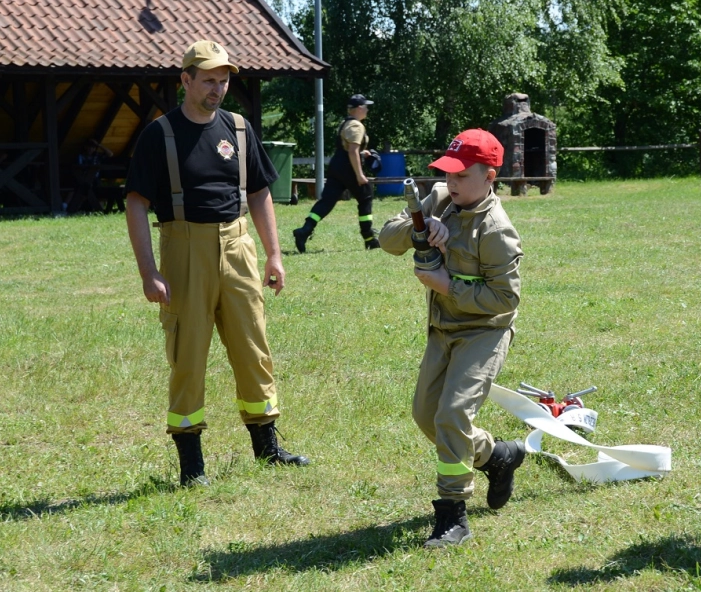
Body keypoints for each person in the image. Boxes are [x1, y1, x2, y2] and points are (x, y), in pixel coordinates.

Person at [125, 40, 310, 488]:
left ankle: (267, 446)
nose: (218, 88)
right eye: (209, 79)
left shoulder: (239, 129)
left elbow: (260, 192)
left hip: (238, 245)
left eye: (224, 79)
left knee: (253, 345)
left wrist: (274, 254)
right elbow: (136, 204)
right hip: (184, 247)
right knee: (188, 354)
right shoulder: (159, 135)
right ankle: (192, 465)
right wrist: (149, 272)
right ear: (185, 80)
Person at [378, 128, 527, 547]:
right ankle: (497, 456)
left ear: (489, 177)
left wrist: (447, 286)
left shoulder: (496, 230)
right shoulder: (440, 199)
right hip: (442, 329)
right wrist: (421, 226)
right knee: (427, 415)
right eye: (449, 173)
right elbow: (387, 239)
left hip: (484, 332)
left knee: (453, 415)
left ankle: (452, 516)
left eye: (463, 175)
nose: (452, 182)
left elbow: (505, 298)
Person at [293, 94, 381, 252]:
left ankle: (305, 230)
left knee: (327, 201)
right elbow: (352, 151)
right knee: (365, 196)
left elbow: (347, 148)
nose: (367, 109)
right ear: (359, 108)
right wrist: (360, 175)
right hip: (348, 167)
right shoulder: (356, 126)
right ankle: (369, 239)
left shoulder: (345, 123)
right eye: (366, 107)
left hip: (337, 166)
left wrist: (363, 153)